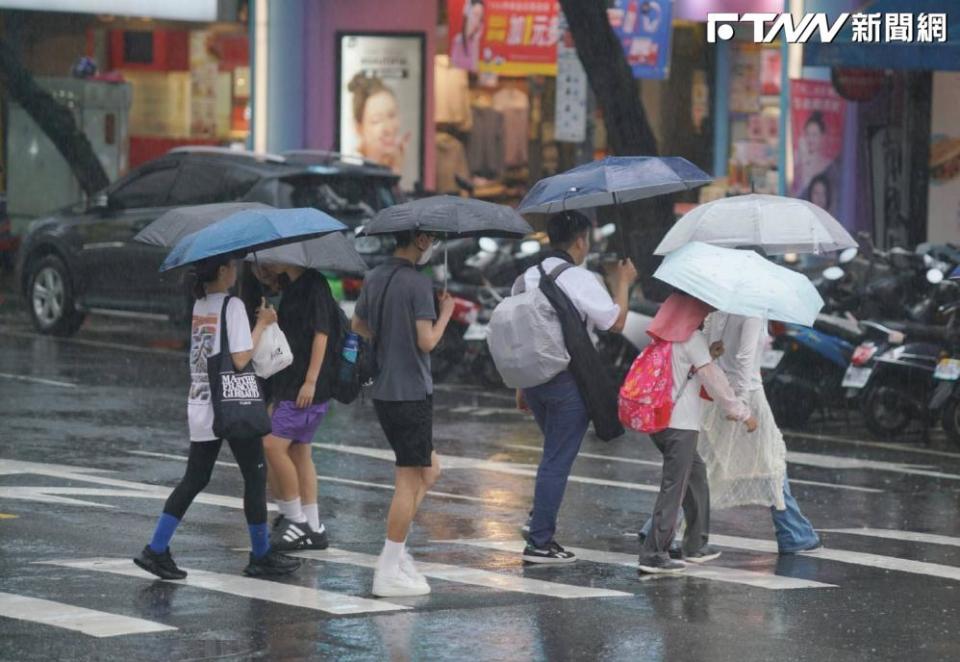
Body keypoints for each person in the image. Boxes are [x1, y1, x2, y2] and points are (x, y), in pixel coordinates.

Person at [134, 255, 300, 579]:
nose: (236, 271)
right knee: (255, 476)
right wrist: (264, 323)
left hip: (201, 402)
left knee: (195, 479)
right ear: (223, 270)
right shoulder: (232, 305)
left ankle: (156, 548)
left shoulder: (200, 304)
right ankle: (261, 555)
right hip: (232, 402)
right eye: (233, 266)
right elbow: (240, 360)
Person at [514, 211, 638, 564]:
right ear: (581, 240)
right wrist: (623, 282)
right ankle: (540, 542)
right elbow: (615, 323)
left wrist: (521, 385)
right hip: (566, 380)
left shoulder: (526, 276)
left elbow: (521, 332)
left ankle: (538, 520)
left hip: (535, 380)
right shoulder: (578, 278)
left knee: (552, 454)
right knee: (556, 459)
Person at [351, 230, 454, 597]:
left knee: (431, 470)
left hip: (384, 390)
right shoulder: (417, 282)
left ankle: (396, 553)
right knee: (408, 481)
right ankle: (389, 567)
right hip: (411, 392)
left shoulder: (375, 276)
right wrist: (446, 314)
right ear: (422, 240)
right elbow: (427, 341)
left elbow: (358, 325)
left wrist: (388, 334)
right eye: (433, 240)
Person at [637, 294, 758, 575]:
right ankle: (654, 553)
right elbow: (716, 384)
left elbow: (684, 368)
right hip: (680, 425)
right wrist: (743, 413)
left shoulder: (664, 339)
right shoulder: (692, 340)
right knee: (674, 489)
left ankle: (695, 544)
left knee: (696, 476)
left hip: (660, 421)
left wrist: (708, 354)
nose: (704, 318)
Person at [699, 312, 821, 553]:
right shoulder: (752, 310)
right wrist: (741, 402)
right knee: (771, 460)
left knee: (701, 462)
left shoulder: (717, 308)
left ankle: (660, 528)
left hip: (715, 390)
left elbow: (706, 347)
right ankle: (793, 533)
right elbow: (745, 356)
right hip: (748, 394)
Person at [254, 263, 340, 552]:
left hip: (304, 386)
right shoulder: (289, 284)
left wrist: (311, 381)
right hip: (289, 381)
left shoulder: (314, 283)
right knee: (299, 451)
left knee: (271, 445)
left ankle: (297, 521)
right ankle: (314, 527)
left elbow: (322, 334)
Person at [348, 73, 409, 176]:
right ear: (358, 128)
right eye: (377, 120)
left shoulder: (389, 168)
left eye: (392, 116)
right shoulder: (352, 176)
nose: (388, 128)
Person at [450, 0, 484, 71]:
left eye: (479, 16)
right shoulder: (458, 40)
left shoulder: (476, 40)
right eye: (475, 15)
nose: (476, 20)